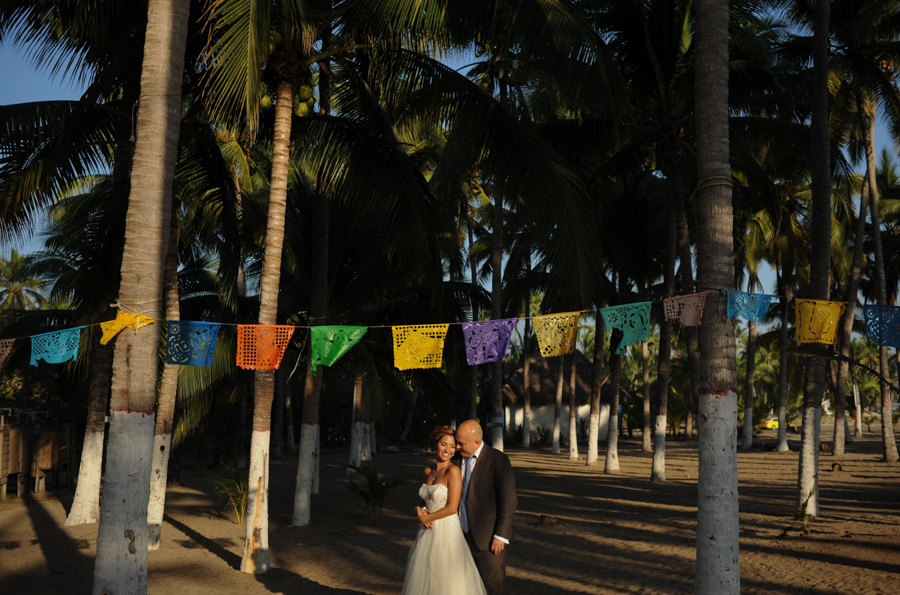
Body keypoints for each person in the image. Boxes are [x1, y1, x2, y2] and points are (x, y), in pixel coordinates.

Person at [401, 426, 487, 595]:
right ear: (435, 444)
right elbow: (426, 500)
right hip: (427, 531)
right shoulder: (428, 472)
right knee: (426, 577)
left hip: (446, 531)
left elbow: (452, 508)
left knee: (446, 578)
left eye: (452, 446)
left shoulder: (453, 471)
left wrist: (424, 519)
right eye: (443, 444)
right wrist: (419, 509)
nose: (448, 449)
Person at [452, 420, 518, 595]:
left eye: (461, 443)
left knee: (494, 588)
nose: (457, 447)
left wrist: (501, 535)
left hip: (487, 539)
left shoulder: (498, 460)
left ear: (477, 442)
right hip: (458, 536)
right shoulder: (455, 459)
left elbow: (509, 500)